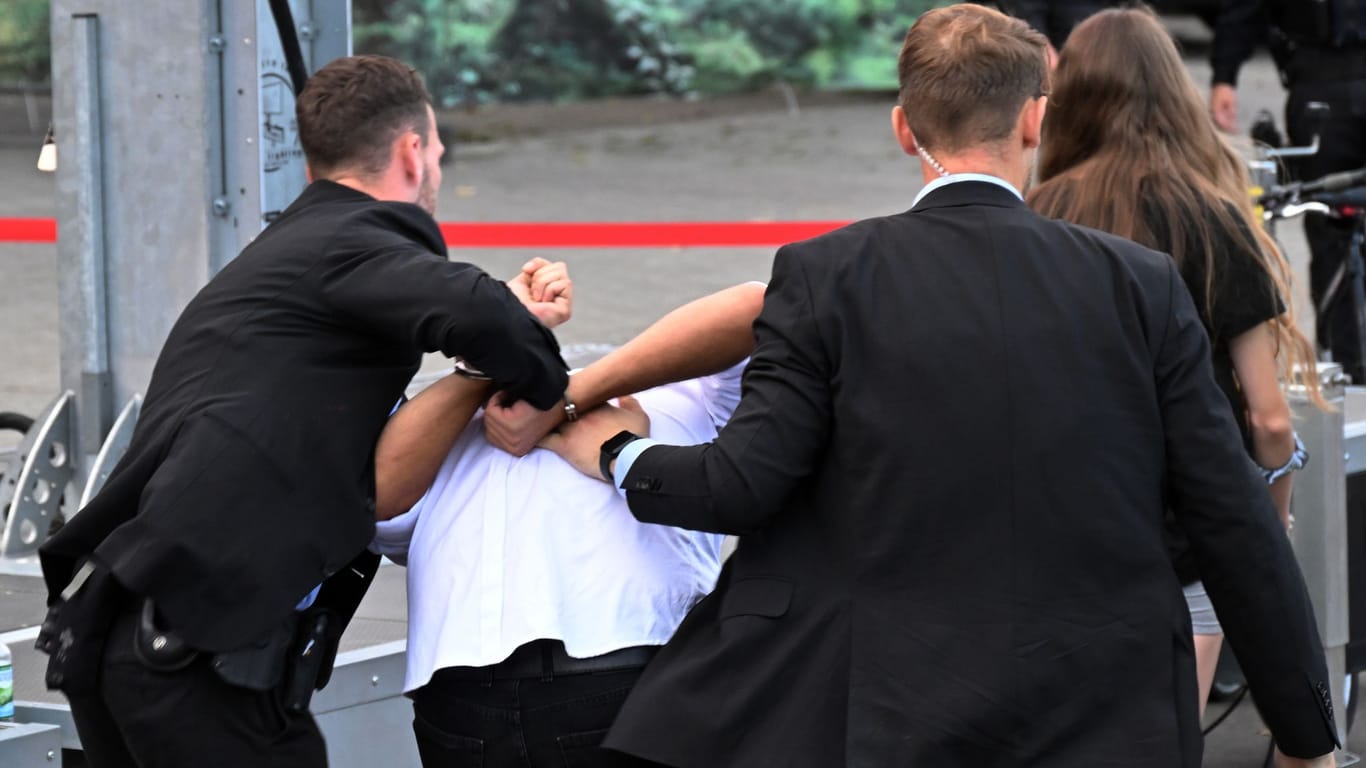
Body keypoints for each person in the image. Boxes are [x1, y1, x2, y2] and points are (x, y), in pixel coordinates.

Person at [535, 5, 1339, 766]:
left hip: (896, 709)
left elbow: (740, 484)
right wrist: (1303, 731)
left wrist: (615, 450)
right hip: (1109, 709)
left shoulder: (827, 276)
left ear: (903, 128)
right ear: (1033, 119)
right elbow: (1234, 523)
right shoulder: (1140, 284)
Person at [34, 54, 567, 768]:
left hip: (143, 643)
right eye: (437, 147)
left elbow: (377, 478)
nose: (437, 161)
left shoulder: (294, 262)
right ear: (412, 153)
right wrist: (540, 378)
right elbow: (474, 310)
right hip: (195, 658)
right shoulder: (348, 243)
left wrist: (495, 341)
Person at [1027, 6, 1323, 726]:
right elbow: (1269, 418)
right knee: (1165, 737)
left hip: (1066, 528)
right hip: (1192, 535)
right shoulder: (1215, 220)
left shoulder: (1039, 215)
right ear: (1172, 94)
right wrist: (1269, 523)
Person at [370, 278, 763, 768]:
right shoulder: (685, 403)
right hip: (601, 672)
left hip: (471, 692)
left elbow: (756, 307)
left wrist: (559, 391)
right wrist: (496, 359)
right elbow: (383, 501)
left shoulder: (686, 397)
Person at [1210, 0, 1366, 384]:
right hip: (1319, 82)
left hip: (1323, 84)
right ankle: (1347, 376)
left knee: (1331, 236)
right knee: (1330, 231)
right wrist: (1224, 74)